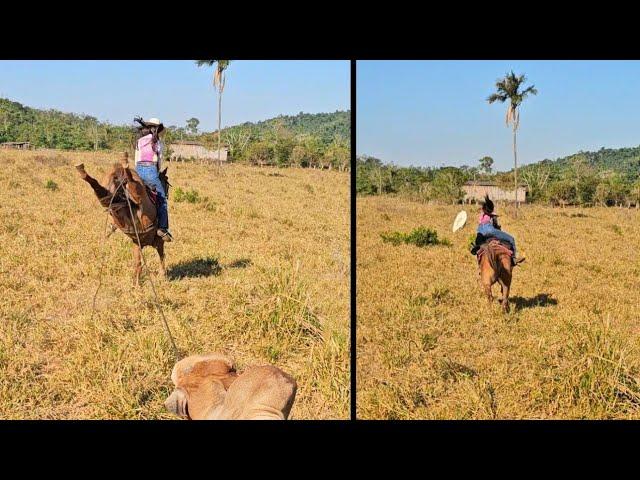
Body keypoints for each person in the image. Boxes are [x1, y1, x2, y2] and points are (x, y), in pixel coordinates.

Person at [133, 116, 173, 241]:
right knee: (162, 200)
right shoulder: (157, 142)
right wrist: (156, 172)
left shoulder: (139, 141)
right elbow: (159, 161)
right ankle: (162, 228)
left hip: (138, 170)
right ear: (157, 129)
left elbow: (136, 159)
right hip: (151, 170)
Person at [470, 195, 523, 266]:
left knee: (479, 242)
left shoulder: (481, 216)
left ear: (483, 209)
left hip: (480, 231)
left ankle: (478, 248)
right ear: (491, 209)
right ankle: (514, 258)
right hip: (490, 230)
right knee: (511, 239)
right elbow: (496, 226)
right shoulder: (492, 216)